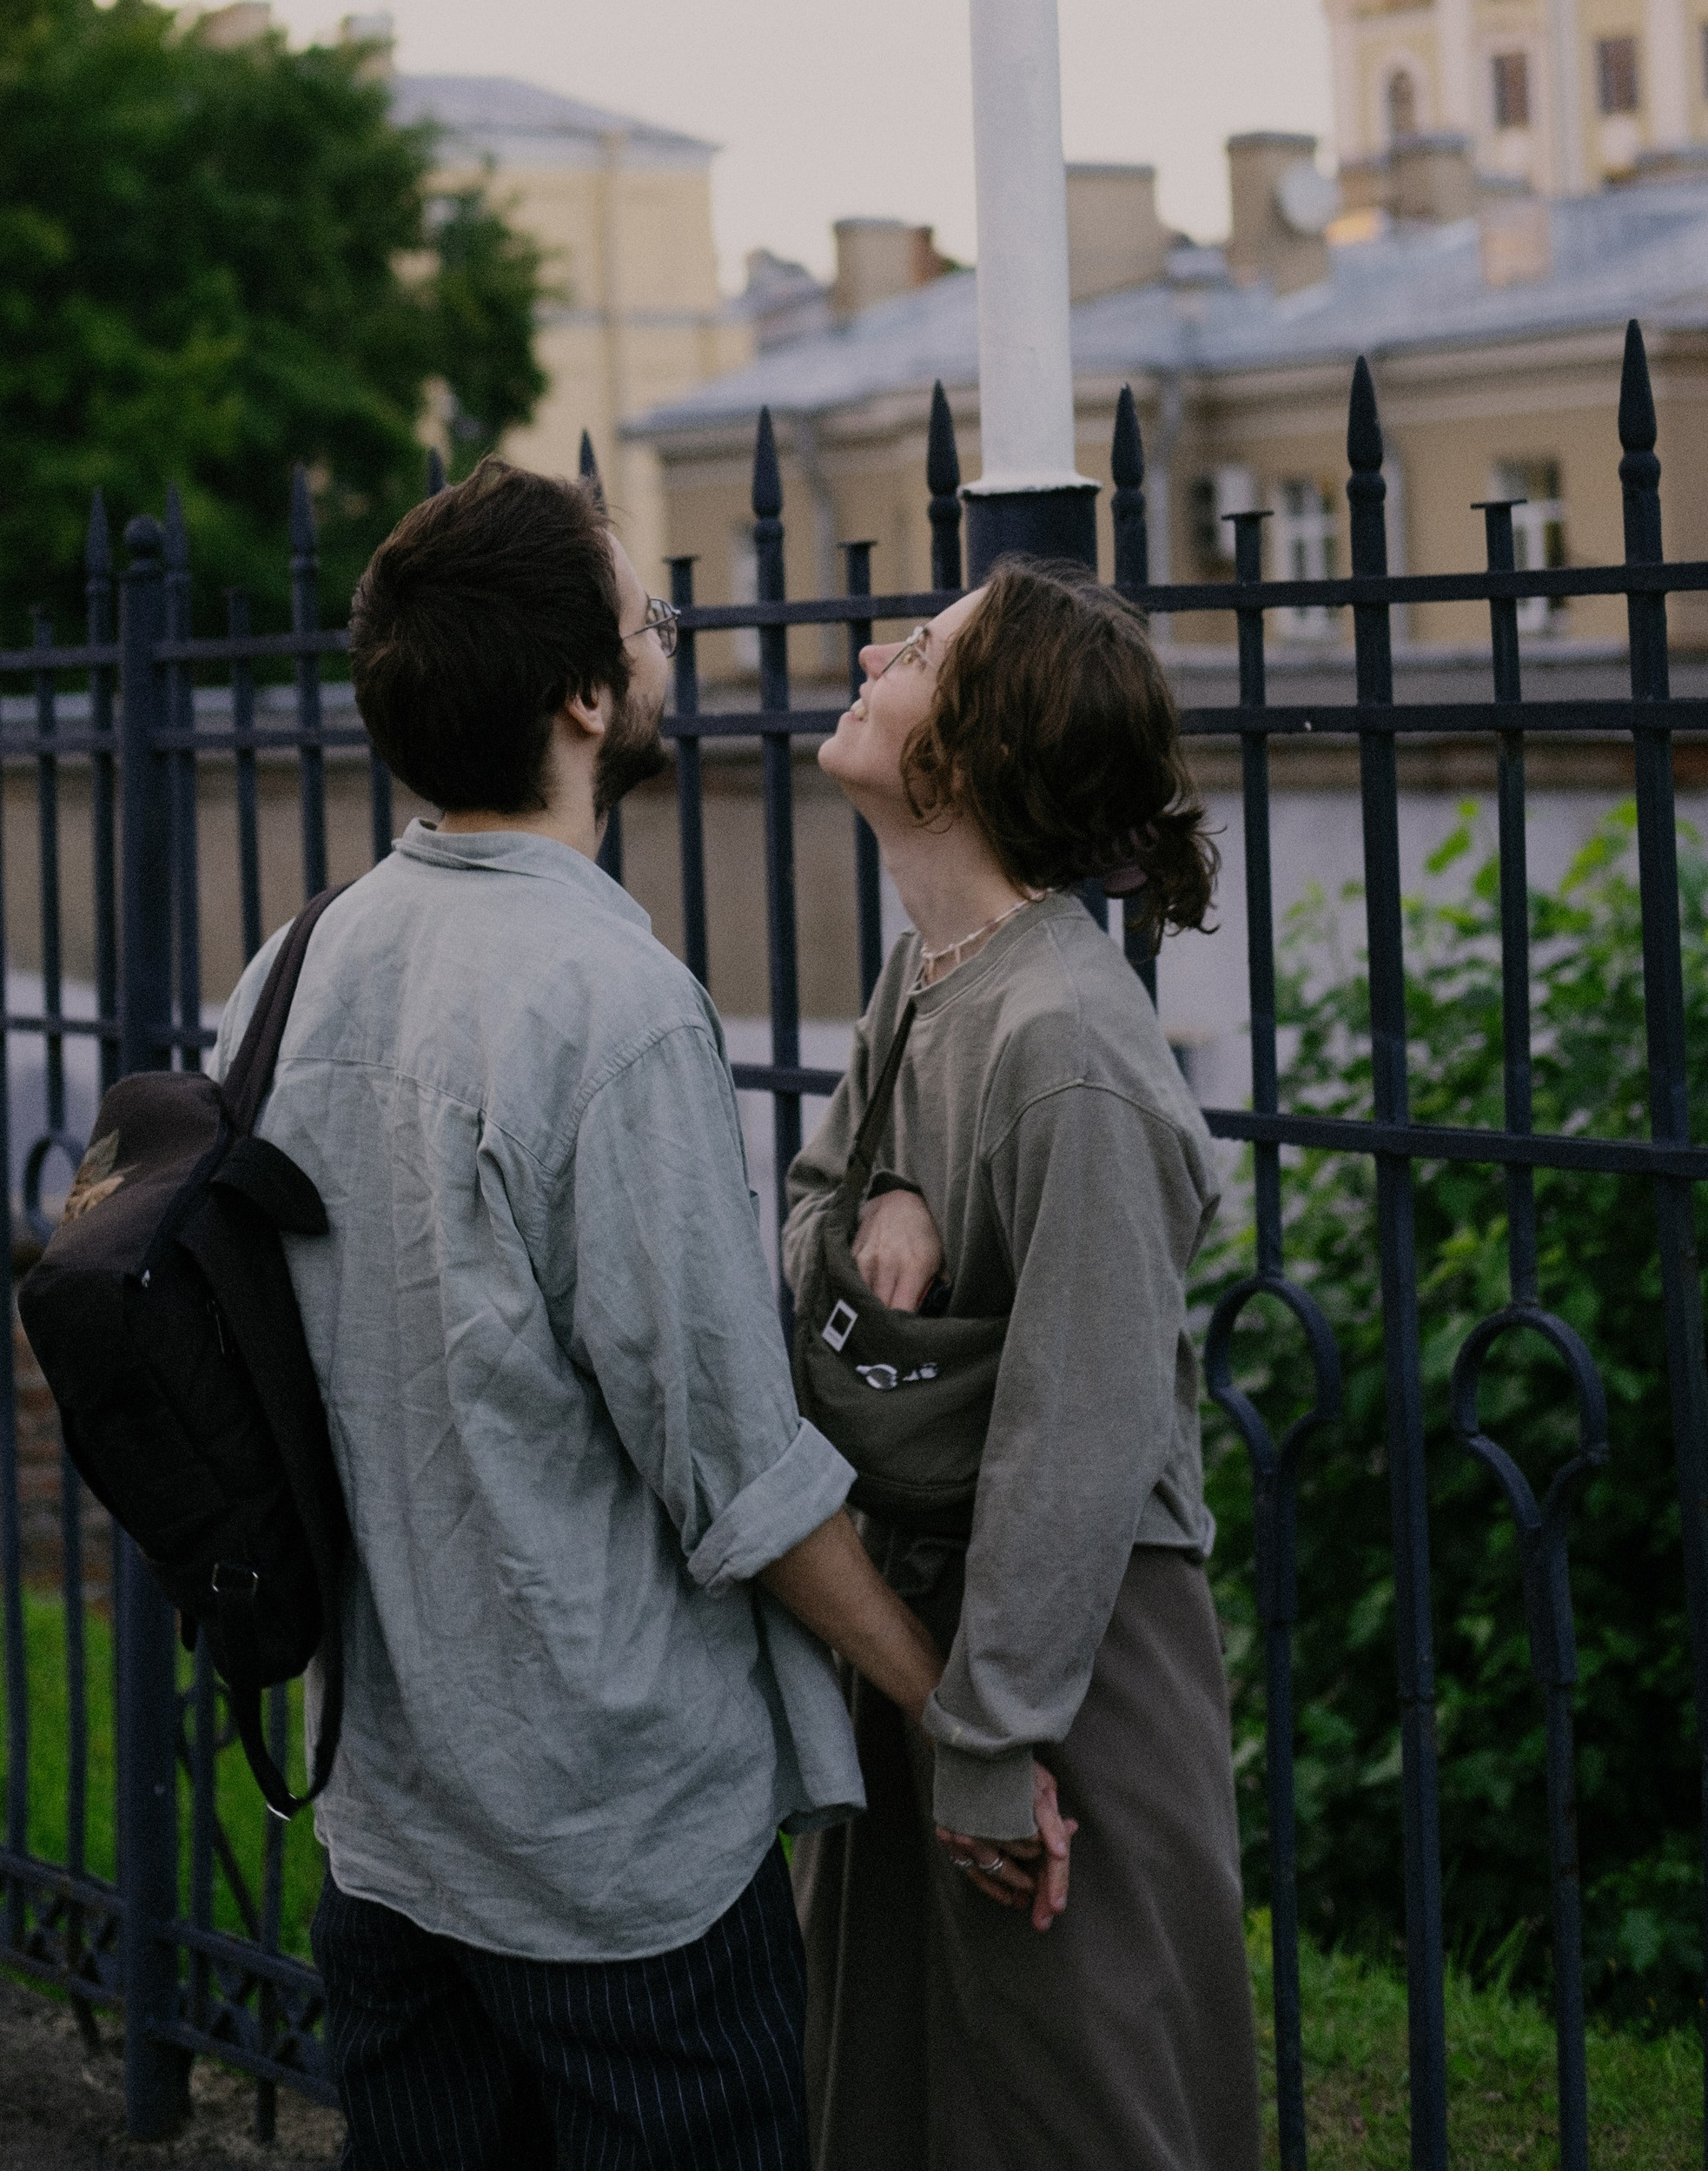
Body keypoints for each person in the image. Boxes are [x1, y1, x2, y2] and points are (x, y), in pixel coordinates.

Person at [211, 457, 944, 2171]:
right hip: (614, 1866)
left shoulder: (291, 967)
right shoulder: (612, 1005)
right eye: (646, 618)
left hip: (389, 1832)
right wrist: (944, 1693)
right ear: (584, 695)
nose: (664, 643)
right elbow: (733, 1471)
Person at [782, 560, 1259, 2171]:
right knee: (903, 2116)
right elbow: (789, 1237)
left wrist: (989, 1746)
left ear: (968, 754)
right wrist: (881, 1217)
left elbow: (1084, 1426)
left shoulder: (1067, 1041)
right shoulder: (926, 982)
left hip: (1070, 1671)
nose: (870, 651)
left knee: (1078, 2115)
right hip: (935, 1630)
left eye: (917, 649)